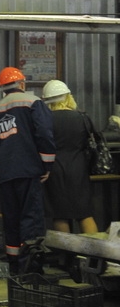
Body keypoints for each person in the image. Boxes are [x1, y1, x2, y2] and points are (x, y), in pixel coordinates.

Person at [0, 66, 56, 274]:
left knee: (12, 220)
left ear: (2, 88)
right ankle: (31, 270)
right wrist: (47, 164)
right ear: (22, 83)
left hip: (6, 174)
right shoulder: (33, 102)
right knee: (31, 219)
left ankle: (15, 268)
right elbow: (44, 133)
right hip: (29, 171)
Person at [40, 79, 99, 235]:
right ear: (68, 96)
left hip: (54, 169)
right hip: (78, 168)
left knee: (60, 214)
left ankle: (65, 250)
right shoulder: (82, 118)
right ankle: (92, 249)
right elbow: (93, 142)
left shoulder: (45, 120)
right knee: (84, 213)